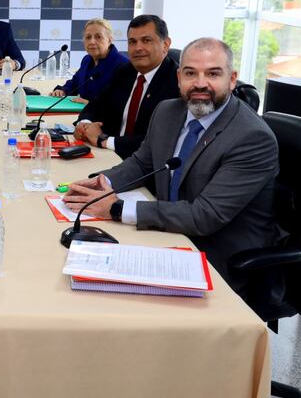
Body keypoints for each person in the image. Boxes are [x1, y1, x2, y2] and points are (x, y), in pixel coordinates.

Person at [63, 38, 280, 293]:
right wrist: (105, 182)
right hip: (168, 234)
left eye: (213, 73)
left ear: (232, 79)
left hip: (219, 257)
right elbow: (143, 162)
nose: (200, 83)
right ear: (179, 77)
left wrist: (117, 209)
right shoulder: (168, 110)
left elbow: (204, 216)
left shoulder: (252, 137)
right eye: (190, 73)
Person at [73, 14, 180, 159]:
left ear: (166, 45)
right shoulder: (125, 71)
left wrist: (104, 140)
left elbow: (158, 140)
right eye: (132, 42)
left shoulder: (177, 82)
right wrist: (85, 125)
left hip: (144, 166)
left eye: (146, 40)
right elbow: (96, 105)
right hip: (109, 156)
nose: (138, 48)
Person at [49, 18, 128, 104]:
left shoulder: (124, 66)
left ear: (110, 40)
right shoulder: (87, 60)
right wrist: (63, 90)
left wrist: (91, 105)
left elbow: (123, 103)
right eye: (88, 37)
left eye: (98, 37)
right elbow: (75, 82)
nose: (92, 41)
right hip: (82, 114)